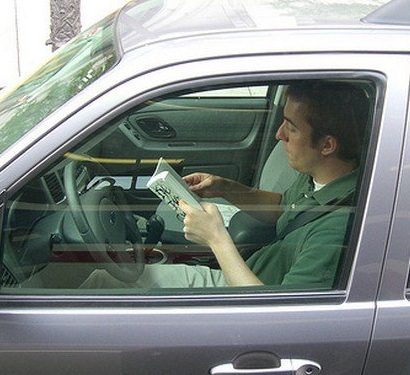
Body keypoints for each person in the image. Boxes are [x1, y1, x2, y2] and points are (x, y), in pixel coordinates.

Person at [81, 81, 371, 290]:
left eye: (291, 128)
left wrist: (216, 239)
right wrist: (225, 188)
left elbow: (276, 319)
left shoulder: (335, 233)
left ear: (327, 145)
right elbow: (284, 208)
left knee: (101, 287)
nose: (279, 134)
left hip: (243, 299)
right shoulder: (324, 179)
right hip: (242, 276)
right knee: (102, 281)